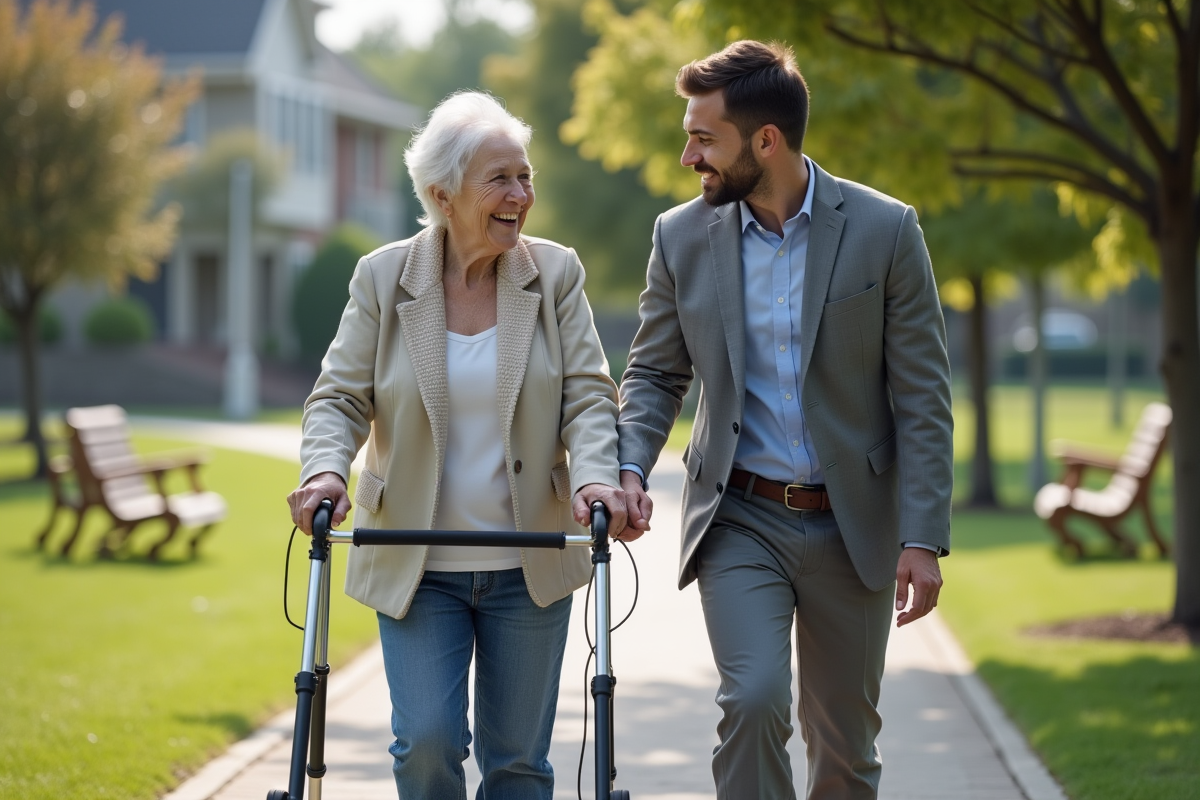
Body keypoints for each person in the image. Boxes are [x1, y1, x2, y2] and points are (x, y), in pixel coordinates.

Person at [616, 41, 954, 799]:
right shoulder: (679, 237)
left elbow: (923, 397)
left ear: (765, 140)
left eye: (704, 138)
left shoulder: (885, 230)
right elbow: (654, 372)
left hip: (853, 526)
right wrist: (629, 467)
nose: (686, 155)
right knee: (753, 700)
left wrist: (922, 537)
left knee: (843, 744)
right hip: (740, 517)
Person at [287, 91, 627, 800]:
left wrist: (597, 478)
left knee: (517, 765)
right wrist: (324, 469)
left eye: (526, 177)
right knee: (427, 745)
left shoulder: (555, 274)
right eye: (499, 179)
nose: (520, 195)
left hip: (526, 564)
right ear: (442, 194)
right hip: (419, 567)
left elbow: (590, 395)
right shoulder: (382, 278)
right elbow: (340, 396)